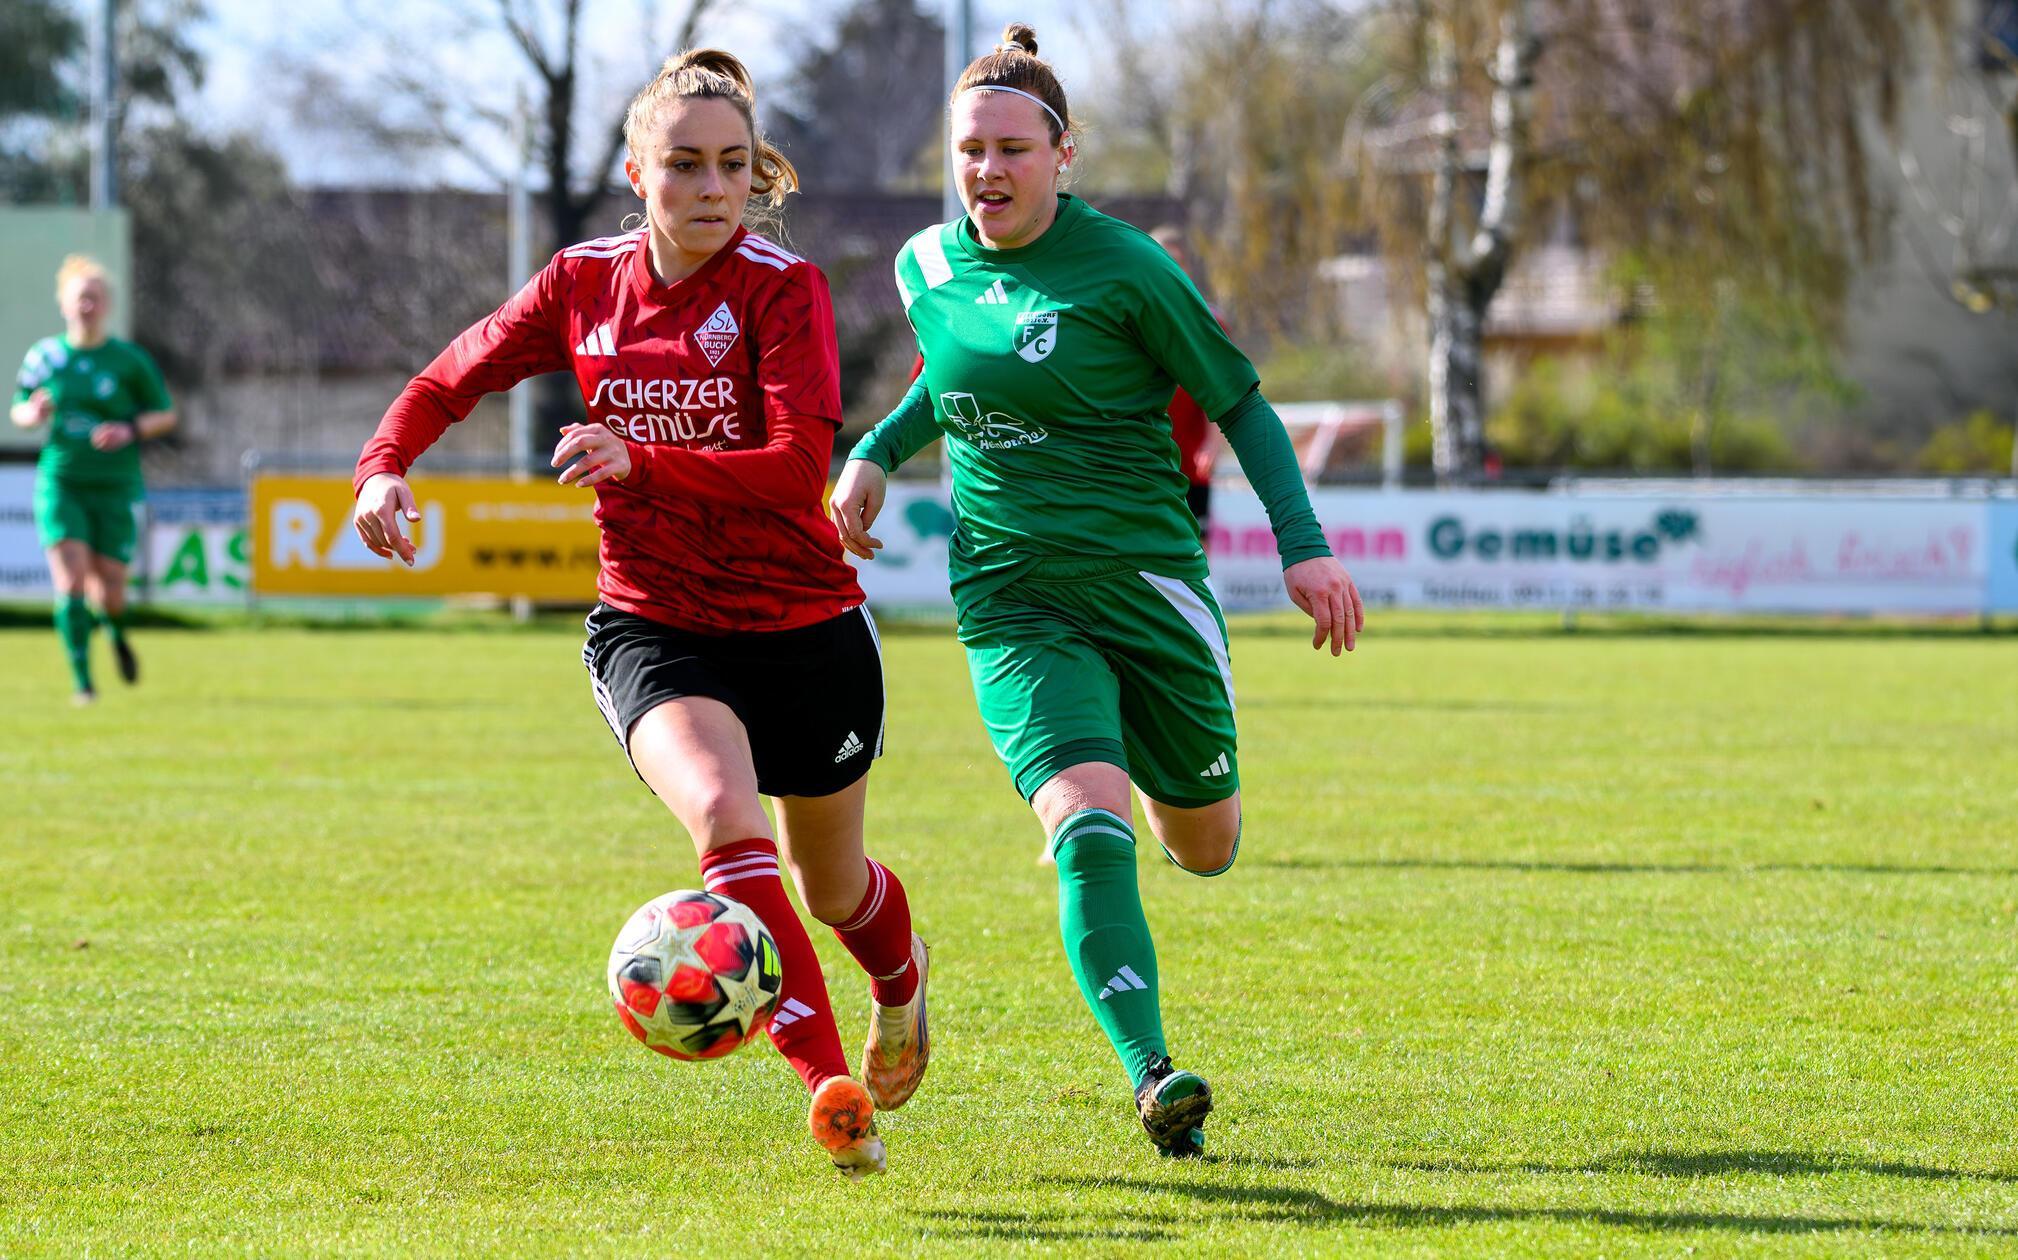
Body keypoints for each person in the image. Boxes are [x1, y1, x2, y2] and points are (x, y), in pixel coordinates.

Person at [349, 49, 926, 1182]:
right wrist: (384, 466)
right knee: (720, 815)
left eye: (730, 167)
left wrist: (640, 461)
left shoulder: (780, 288)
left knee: (831, 887)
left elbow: (796, 462)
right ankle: (830, 1092)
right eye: (683, 165)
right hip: (654, 621)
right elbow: (450, 376)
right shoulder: (580, 282)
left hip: (804, 621)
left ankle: (899, 986)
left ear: (752, 178)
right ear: (636, 170)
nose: (710, 188)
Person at [829, 23, 1363, 1159]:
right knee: (1082, 826)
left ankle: (1169, 811)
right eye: (970, 149)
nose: (989, 171)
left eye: (1013, 149)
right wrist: (874, 448)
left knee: (1206, 844)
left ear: (1063, 155)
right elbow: (946, 377)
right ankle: (1152, 1075)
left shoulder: (1129, 270)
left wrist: (1302, 543)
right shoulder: (925, 264)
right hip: (1012, 599)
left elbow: (1241, 403)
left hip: (1147, 593)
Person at [9, 256, 176, 704]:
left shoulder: (128, 360)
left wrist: (131, 430)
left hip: (116, 486)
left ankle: (117, 634)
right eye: (80, 297)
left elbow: (165, 414)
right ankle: (83, 684)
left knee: (112, 588)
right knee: (72, 582)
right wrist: (33, 413)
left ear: (107, 306)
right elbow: (19, 408)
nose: (87, 305)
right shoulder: (45, 356)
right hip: (62, 482)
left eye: (95, 298)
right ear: (64, 304)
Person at [1148, 225, 1219, 527]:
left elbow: (1220, 391)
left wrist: (1212, 446)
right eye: (1162, 259)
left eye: (1176, 261)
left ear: (1187, 269)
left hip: (1190, 462)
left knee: (1197, 544)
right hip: (1143, 461)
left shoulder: (1207, 323)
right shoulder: (1126, 317)